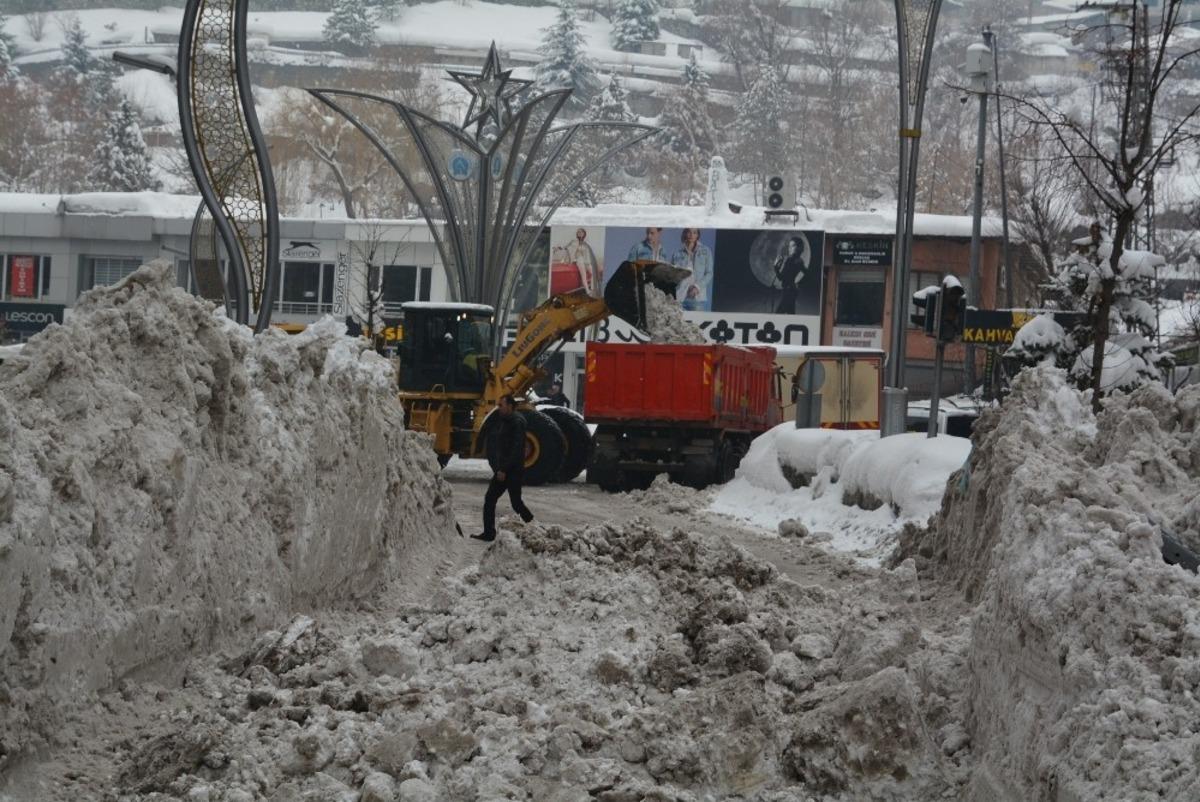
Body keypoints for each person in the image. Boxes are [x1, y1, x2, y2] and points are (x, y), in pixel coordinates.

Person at [473, 394, 535, 542]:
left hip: (511, 471)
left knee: (516, 503)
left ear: (510, 406)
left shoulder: (516, 422)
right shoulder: (505, 421)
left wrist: (503, 470)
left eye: (501, 405)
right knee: (490, 499)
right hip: (504, 469)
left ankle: (534, 527)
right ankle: (489, 533)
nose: (499, 408)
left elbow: (516, 449)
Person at [670, 228, 714, 311]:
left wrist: (697, 287)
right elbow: (672, 275)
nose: (691, 235)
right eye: (689, 232)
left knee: (696, 323)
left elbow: (709, 273)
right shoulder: (677, 254)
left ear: (697, 235)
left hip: (697, 298)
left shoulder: (706, 251)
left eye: (694, 232)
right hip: (680, 297)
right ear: (685, 233)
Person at [773, 236, 808, 315]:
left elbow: (781, 278)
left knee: (778, 314)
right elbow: (807, 273)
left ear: (799, 247)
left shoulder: (790, 260)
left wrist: (775, 268)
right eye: (789, 246)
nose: (789, 248)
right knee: (791, 313)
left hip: (788, 291)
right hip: (792, 290)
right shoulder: (800, 260)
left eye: (792, 245)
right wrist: (799, 284)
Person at [565, 228, 601, 295]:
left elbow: (590, 252)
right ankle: (588, 291)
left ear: (584, 233)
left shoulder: (586, 242)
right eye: (578, 232)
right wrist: (570, 259)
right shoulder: (574, 241)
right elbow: (567, 247)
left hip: (586, 260)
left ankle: (592, 288)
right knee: (583, 275)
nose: (580, 233)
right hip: (579, 259)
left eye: (581, 232)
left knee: (593, 272)